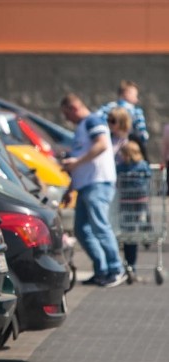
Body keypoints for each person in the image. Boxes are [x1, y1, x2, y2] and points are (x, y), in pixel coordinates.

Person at [59, 93, 126, 288]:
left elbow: (102, 144)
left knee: (99, 226)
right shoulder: (82, 127)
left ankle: (115, 269)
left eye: (66, 114)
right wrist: (71, 188)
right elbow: (81, 157)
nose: (66, 119)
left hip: (98, 183)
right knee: (81, 229)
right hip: (85, 185)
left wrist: (76, 162)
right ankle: (101, 270)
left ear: (74, 108)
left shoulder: (92, 121)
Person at [116, 141, 151, 280]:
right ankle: (131, 265)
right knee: (132, 231)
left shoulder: (122, 168)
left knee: (127, 232)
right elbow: (149, 178)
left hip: (126, 203)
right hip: (140, 202)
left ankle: (129, 265)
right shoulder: (143, 166)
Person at [100, 80, 149, 162]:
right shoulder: (136, 111)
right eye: (135, 96)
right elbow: (143, 135)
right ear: (127, 93)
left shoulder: (107, 107)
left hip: (109, 148)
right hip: (130, 154)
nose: (137, 100)